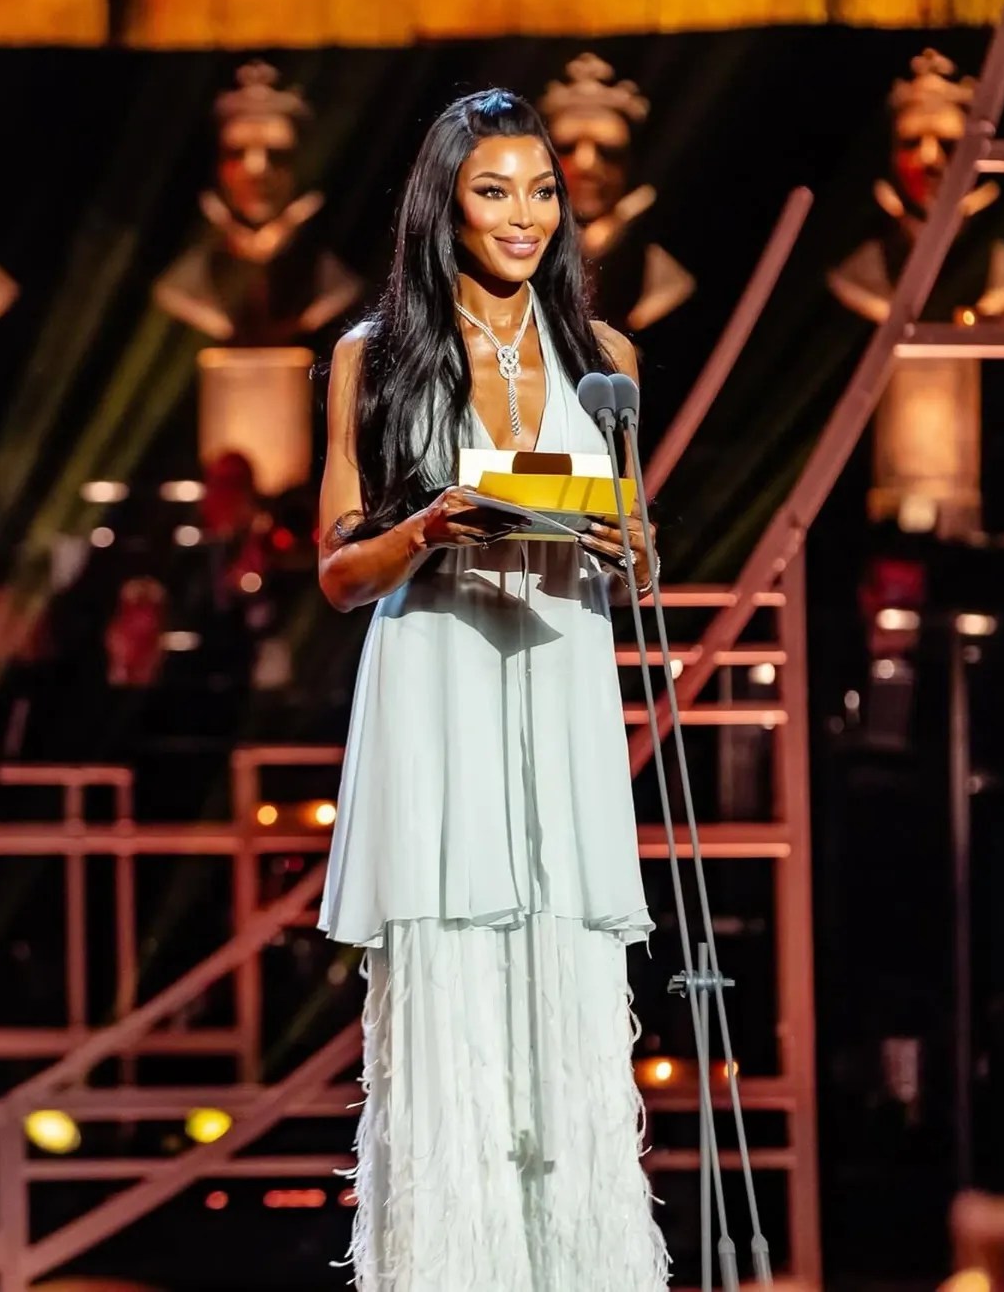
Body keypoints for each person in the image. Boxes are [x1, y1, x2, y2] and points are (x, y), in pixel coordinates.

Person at [316, 88, 669, 1290]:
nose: (524, 217)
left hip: (563, 677)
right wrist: (426, 526)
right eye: (494, 191)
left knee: (564, 961)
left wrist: (630, 546)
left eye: (541, 192)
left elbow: (638, 532)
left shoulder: (604, 358)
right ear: (444, 205)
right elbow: (334, 570)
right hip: (439, 680)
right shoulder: (374, 357)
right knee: (454, 969)